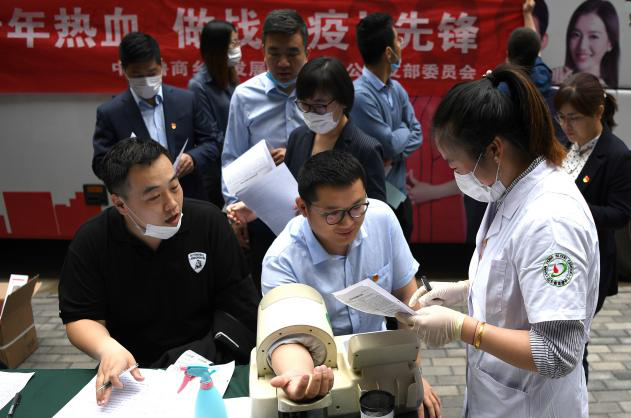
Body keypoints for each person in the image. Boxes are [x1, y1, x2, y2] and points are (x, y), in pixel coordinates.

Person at [398, 65, 599, 417]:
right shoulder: (506, 189)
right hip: (497, 397)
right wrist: (463, 290)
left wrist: (464, 328)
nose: (456, 175)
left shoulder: (551, 222)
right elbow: (516, 277)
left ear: (494, 149)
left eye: (456, 165)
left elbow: (557, 352)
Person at [59, 138, 260, 406]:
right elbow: (80, 316)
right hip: (134, 373)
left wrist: (194, 358)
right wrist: (106, 348)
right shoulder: (92, 241)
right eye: (154, 197)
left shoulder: (209, 222)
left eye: (174, 186)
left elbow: (240, 307)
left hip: (208, 362)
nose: (172, 203)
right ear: (120, 204)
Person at [261, 150, 441, 418]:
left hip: (382, 363)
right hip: (324, 373)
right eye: (333, 214)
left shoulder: (381, 218)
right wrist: (300, 376)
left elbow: (407, 296)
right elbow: (288, 337)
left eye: (357, 208)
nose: (349, 223)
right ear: (303, 208)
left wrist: (411, 372)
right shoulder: (282, 260)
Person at [222, 9, 308, 288]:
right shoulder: (245, 95)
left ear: (307, 51)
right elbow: (231, 158)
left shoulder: (319, 92)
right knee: (268, 293)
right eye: (274, 53)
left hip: (314, 212)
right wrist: (234, 213)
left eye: (292, 53)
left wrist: (294, 154)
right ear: (262, 51)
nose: (283, 62)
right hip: (260, 213)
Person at [555, 72, 631, 381]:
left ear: (598, 112)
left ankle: (576, 400)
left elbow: (620, 214)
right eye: (561, 117)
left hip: (589, 263)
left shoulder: (617, 155)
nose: (566, 126)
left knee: (574, 343)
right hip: (559, 255)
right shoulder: (566, 144)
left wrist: (572, 209)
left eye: (574, 118)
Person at [92, 32, 220, 201]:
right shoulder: (111, 113)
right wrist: (132, 171)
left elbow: (212, 143)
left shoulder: (186, 100)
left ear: (161, 65)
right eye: (137, 76)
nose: (146, 80)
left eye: (152, 73)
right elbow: (101, 164)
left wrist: (193, 157)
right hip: (142, 202)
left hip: (189, 195)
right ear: (123, 70)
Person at [351, 13, 422, 241]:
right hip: (373, 200)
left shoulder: (396, 89)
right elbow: (389, 145)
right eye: (398, 39)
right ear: (389, 53)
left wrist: (393, 148)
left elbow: (418, 133)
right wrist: (403, 130)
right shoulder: (360, 95)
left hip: (400, 197)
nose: (402, 44)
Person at [287, 57, 386, 201]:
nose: (310, 113)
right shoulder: (297, 137)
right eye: (304, 105)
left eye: (319, 106)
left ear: (343, 100)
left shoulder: (366, 149)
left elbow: (377, 208)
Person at [188, 20, 241, 208]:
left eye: (237, 42)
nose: (237, 48)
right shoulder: (198, 85)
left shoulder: (230, 75)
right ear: (218, 49)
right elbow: (210, 135)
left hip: (240, 164)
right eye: (233, 43)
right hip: (218, 171)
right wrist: (240, 147)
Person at [552, 0, 620, 89]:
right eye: (576, 34)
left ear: (610, 44)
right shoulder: (554, 80)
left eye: (593, 36)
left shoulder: (609, 93)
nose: (582, 46)